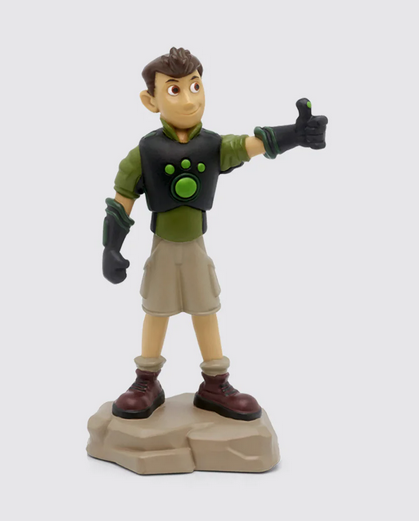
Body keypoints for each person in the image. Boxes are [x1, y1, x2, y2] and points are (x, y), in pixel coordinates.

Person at [102, 47, 328, 421]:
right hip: (162, 247)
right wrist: (111, 247)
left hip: (194, 246)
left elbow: (253, 144)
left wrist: (296, 134)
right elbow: (121, 201)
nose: (189, 100)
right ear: (150, 100)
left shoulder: (213, 146)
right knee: (156, 310)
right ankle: (146, 380)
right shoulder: (143, 153)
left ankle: (215, 382)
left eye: (195, 85)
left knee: (205, 308)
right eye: (174, 90)